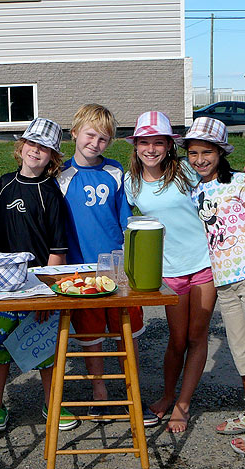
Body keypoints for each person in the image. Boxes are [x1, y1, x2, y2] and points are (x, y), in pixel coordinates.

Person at [124, 111, 245, 433]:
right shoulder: (130, 182)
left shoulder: (185, 170)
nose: (151, 149)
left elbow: (220, 178)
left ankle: (182, 405)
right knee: (177, 339)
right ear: (136, 146)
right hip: (167, 269)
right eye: (145, 142)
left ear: (170, 146)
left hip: (204, 263)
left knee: (197, 337)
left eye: (159, 142)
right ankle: (168, 395)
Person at [180, 116, 245, 454]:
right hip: (223, 280)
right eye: (193, 153)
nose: (199, 159)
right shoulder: (196, 188)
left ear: (220, 152)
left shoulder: (241, 182)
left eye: (207, 152)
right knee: (242, 351)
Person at [58, 104, 158, 427]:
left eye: (103, 139)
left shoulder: (116, 172)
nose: (95, 143)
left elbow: (126, 221)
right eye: (90, 135)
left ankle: (133, 394)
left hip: (117, 269)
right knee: (91, 337)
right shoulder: (60, 175)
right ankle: (99, 394)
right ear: (74, 133)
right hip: (80, 271)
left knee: (126, 335)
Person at [0, 117, 79, 433]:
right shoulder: (4, 183)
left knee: (44, 351)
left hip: (37, 288)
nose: (36, 151)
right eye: (32, 144)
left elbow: (57, 250)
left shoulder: (51, 193)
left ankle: (52, 403)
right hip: (2, 284)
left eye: (45, 148)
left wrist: (46, 295)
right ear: (20, 147)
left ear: (53, 156)